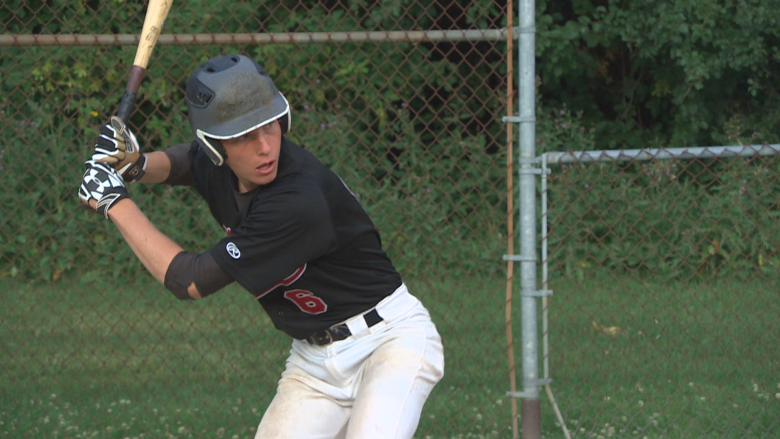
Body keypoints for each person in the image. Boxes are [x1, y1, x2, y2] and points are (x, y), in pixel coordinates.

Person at [78, 53, 444, 439]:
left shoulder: (296, 200)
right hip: (314, 362)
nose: (265, 146)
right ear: (216, 145)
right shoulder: (221, 163)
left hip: (388, 342)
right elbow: (189, 160)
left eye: (270, 126)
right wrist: (136, 165)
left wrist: (114, 202)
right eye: (243, 135)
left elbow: (187, 280)